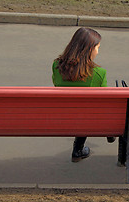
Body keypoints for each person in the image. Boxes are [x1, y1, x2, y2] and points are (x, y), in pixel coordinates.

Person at [52, 27, 114, 163]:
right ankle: (107, 134)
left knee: (82, 109)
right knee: (90, 110)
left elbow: (56, 85)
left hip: (61, 115)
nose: (98, 51)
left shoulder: (56, 66)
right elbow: (105, 101)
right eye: (97, 48)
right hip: (86, 119)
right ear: (89, 50)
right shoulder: (98, 73)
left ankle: (78, 150)